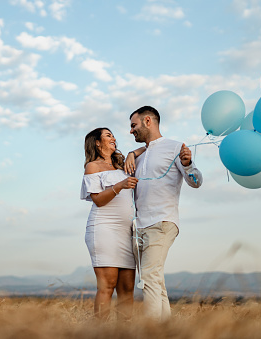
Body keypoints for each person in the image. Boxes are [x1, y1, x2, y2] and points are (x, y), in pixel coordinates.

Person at [125, 106, 203, 322]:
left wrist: (187, 164)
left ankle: (150, 331)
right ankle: (166, 330)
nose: (131, 131)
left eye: (134, 125)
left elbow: (195, 182)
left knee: (149, 277)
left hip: (162, 222)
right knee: (155, 280)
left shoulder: (176, 147)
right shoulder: (138, 156)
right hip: (139, 227)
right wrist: (132, 153)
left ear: (147, 121)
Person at [80, 127, 139, 320]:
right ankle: (99, 332)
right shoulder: (92, 167)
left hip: (126, 232)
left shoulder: (122, 165)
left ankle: (124, 333)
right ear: (97, 142)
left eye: (113, 135)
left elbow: (148, 148)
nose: (113, 138)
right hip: (103, 228)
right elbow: (98, 200)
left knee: (127, 288)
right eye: (108, 135)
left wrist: (132, 152)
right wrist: (120, 185)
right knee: (108, 285)